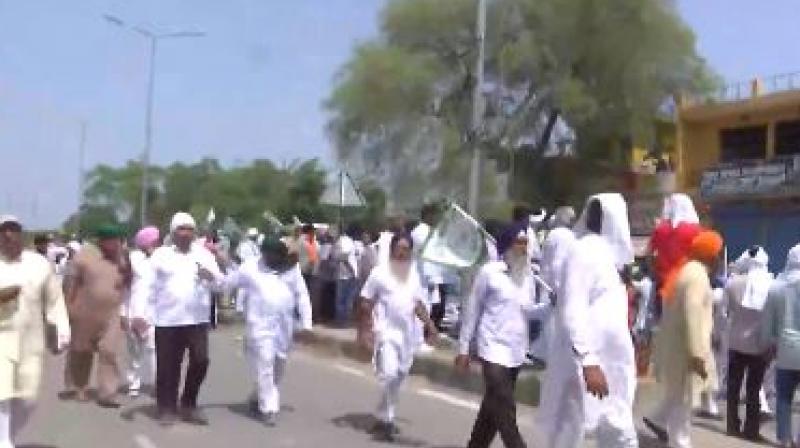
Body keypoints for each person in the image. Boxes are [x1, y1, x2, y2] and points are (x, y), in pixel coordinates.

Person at [537, 194, 638, 448]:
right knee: (570, 433)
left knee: (619, 431)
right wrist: (589, 361)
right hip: (586, 362)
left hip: (612, 361)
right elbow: (573, 309)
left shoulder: (608, 259)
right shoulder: (584, 251)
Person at [457, 222, 551, 448]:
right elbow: (473, 309)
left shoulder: (528, 276)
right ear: (507, 245)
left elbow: (527, 310)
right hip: (491, 347)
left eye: (526, 243)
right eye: (519, 242)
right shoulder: (489, 272)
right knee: (506, 404)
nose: (523, 248)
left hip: (516, 350)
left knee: (493, 405)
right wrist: (463, 348)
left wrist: (551, 306)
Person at [645, 230, 724, 448]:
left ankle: (659, 423)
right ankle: (680, 443)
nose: (719, 259)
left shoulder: (686, 271)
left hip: (678, 347)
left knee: (678, 398)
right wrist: (697, 354)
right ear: (711, 255)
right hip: (685, 351)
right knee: (683, 402)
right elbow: (692, 314)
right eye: (718, 253)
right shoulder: (697, 276)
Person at [223, 236, 312, 427]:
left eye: (279, 255)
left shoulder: (290, 268)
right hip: (259, 325)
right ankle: (269, 409)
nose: (275, 259)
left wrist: (306, 324)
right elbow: (228, 282)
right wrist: (210, 280)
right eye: (271, 255)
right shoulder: (250, 267)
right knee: (265, 363)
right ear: (263, 254)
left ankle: (257, 397)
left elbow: (302, 296)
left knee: (278, 366)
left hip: (284, 326)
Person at [357, 233, 438, 442]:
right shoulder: (379, 273)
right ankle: (388, 421)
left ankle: (383, 416)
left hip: (408, 335)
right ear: (392, 249)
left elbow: (418, 304)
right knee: (390, 374)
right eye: (399, 248)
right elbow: (365, 302)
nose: (403, 253)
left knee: (398, 378)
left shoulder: (413, 275)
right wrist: (364, 331)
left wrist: (430, 325)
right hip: (385, 331)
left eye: (407, 249)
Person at [146, 212, 224, 426]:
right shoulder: (161, 255)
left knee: (201, 360)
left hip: (197, 319)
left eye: (190, 229)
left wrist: (211, 277)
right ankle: (166, 408)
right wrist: (142, 315)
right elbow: (147, 288)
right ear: (173, 232)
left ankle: (188, 403)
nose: (186, 233)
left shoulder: (204, 255)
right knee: (168, 366)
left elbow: (221, 284)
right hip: (167, 320)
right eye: (181, 229)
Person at [0, 215, 70, 448]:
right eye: (3, 231)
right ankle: (4, 440)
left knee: (28, 396)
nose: (8, 235)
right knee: (3, 391)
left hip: (31, 340)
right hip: (2, 337)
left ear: (21, 234)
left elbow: (54, 300)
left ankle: (7, 433)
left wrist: (61, 330)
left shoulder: (39, 265)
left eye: (13, 230)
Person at [64, 225, 130, 408]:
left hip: (112, 314)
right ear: (101, 241)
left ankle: (107, 394)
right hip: (84, 312)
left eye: (117, 240)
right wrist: (67, 308)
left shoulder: (122, 259)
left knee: (109, 351)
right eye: (111, 241)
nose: (115, 244)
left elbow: (128, 282)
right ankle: (80, 386)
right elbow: (71, 282)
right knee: (82, 350)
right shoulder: (84, 256)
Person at [722, 246, 773, 441]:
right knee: (754, 388)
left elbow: (724, 314)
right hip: (759, 344)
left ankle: (732, 425)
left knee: (733, 387)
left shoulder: (732, 283)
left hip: (736, 341)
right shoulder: (771, 284)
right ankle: (751, 430)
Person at [761, 244, 800, 448]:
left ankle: (785, 439)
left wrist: (768, 344)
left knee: (784, 397)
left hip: (785, 349)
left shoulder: (776, 287)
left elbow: (768, 322)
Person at [123, 226, 160, 398]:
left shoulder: (161, 259)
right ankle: (133, 383)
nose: (156, 244)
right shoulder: (132, 259)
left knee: (154, 350)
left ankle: (157, 384)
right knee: (134, 352)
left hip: (154, 314)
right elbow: (125, 288)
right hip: (134, 311)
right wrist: (122, 313)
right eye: (153, 241)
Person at [648, 194, 702, 313]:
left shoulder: (660, 229)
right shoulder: (696, 230)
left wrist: (654, 272)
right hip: (689, 282)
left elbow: (651, 254)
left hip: (665, 283)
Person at [333, 226, 359, 326]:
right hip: (345, 274)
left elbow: (344, 257)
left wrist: (352, 272)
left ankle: (342, 321)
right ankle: (343, 321)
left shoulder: (343, 241)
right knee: (346, 299)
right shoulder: (345, 241)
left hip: (346, 275)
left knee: (343, 300)